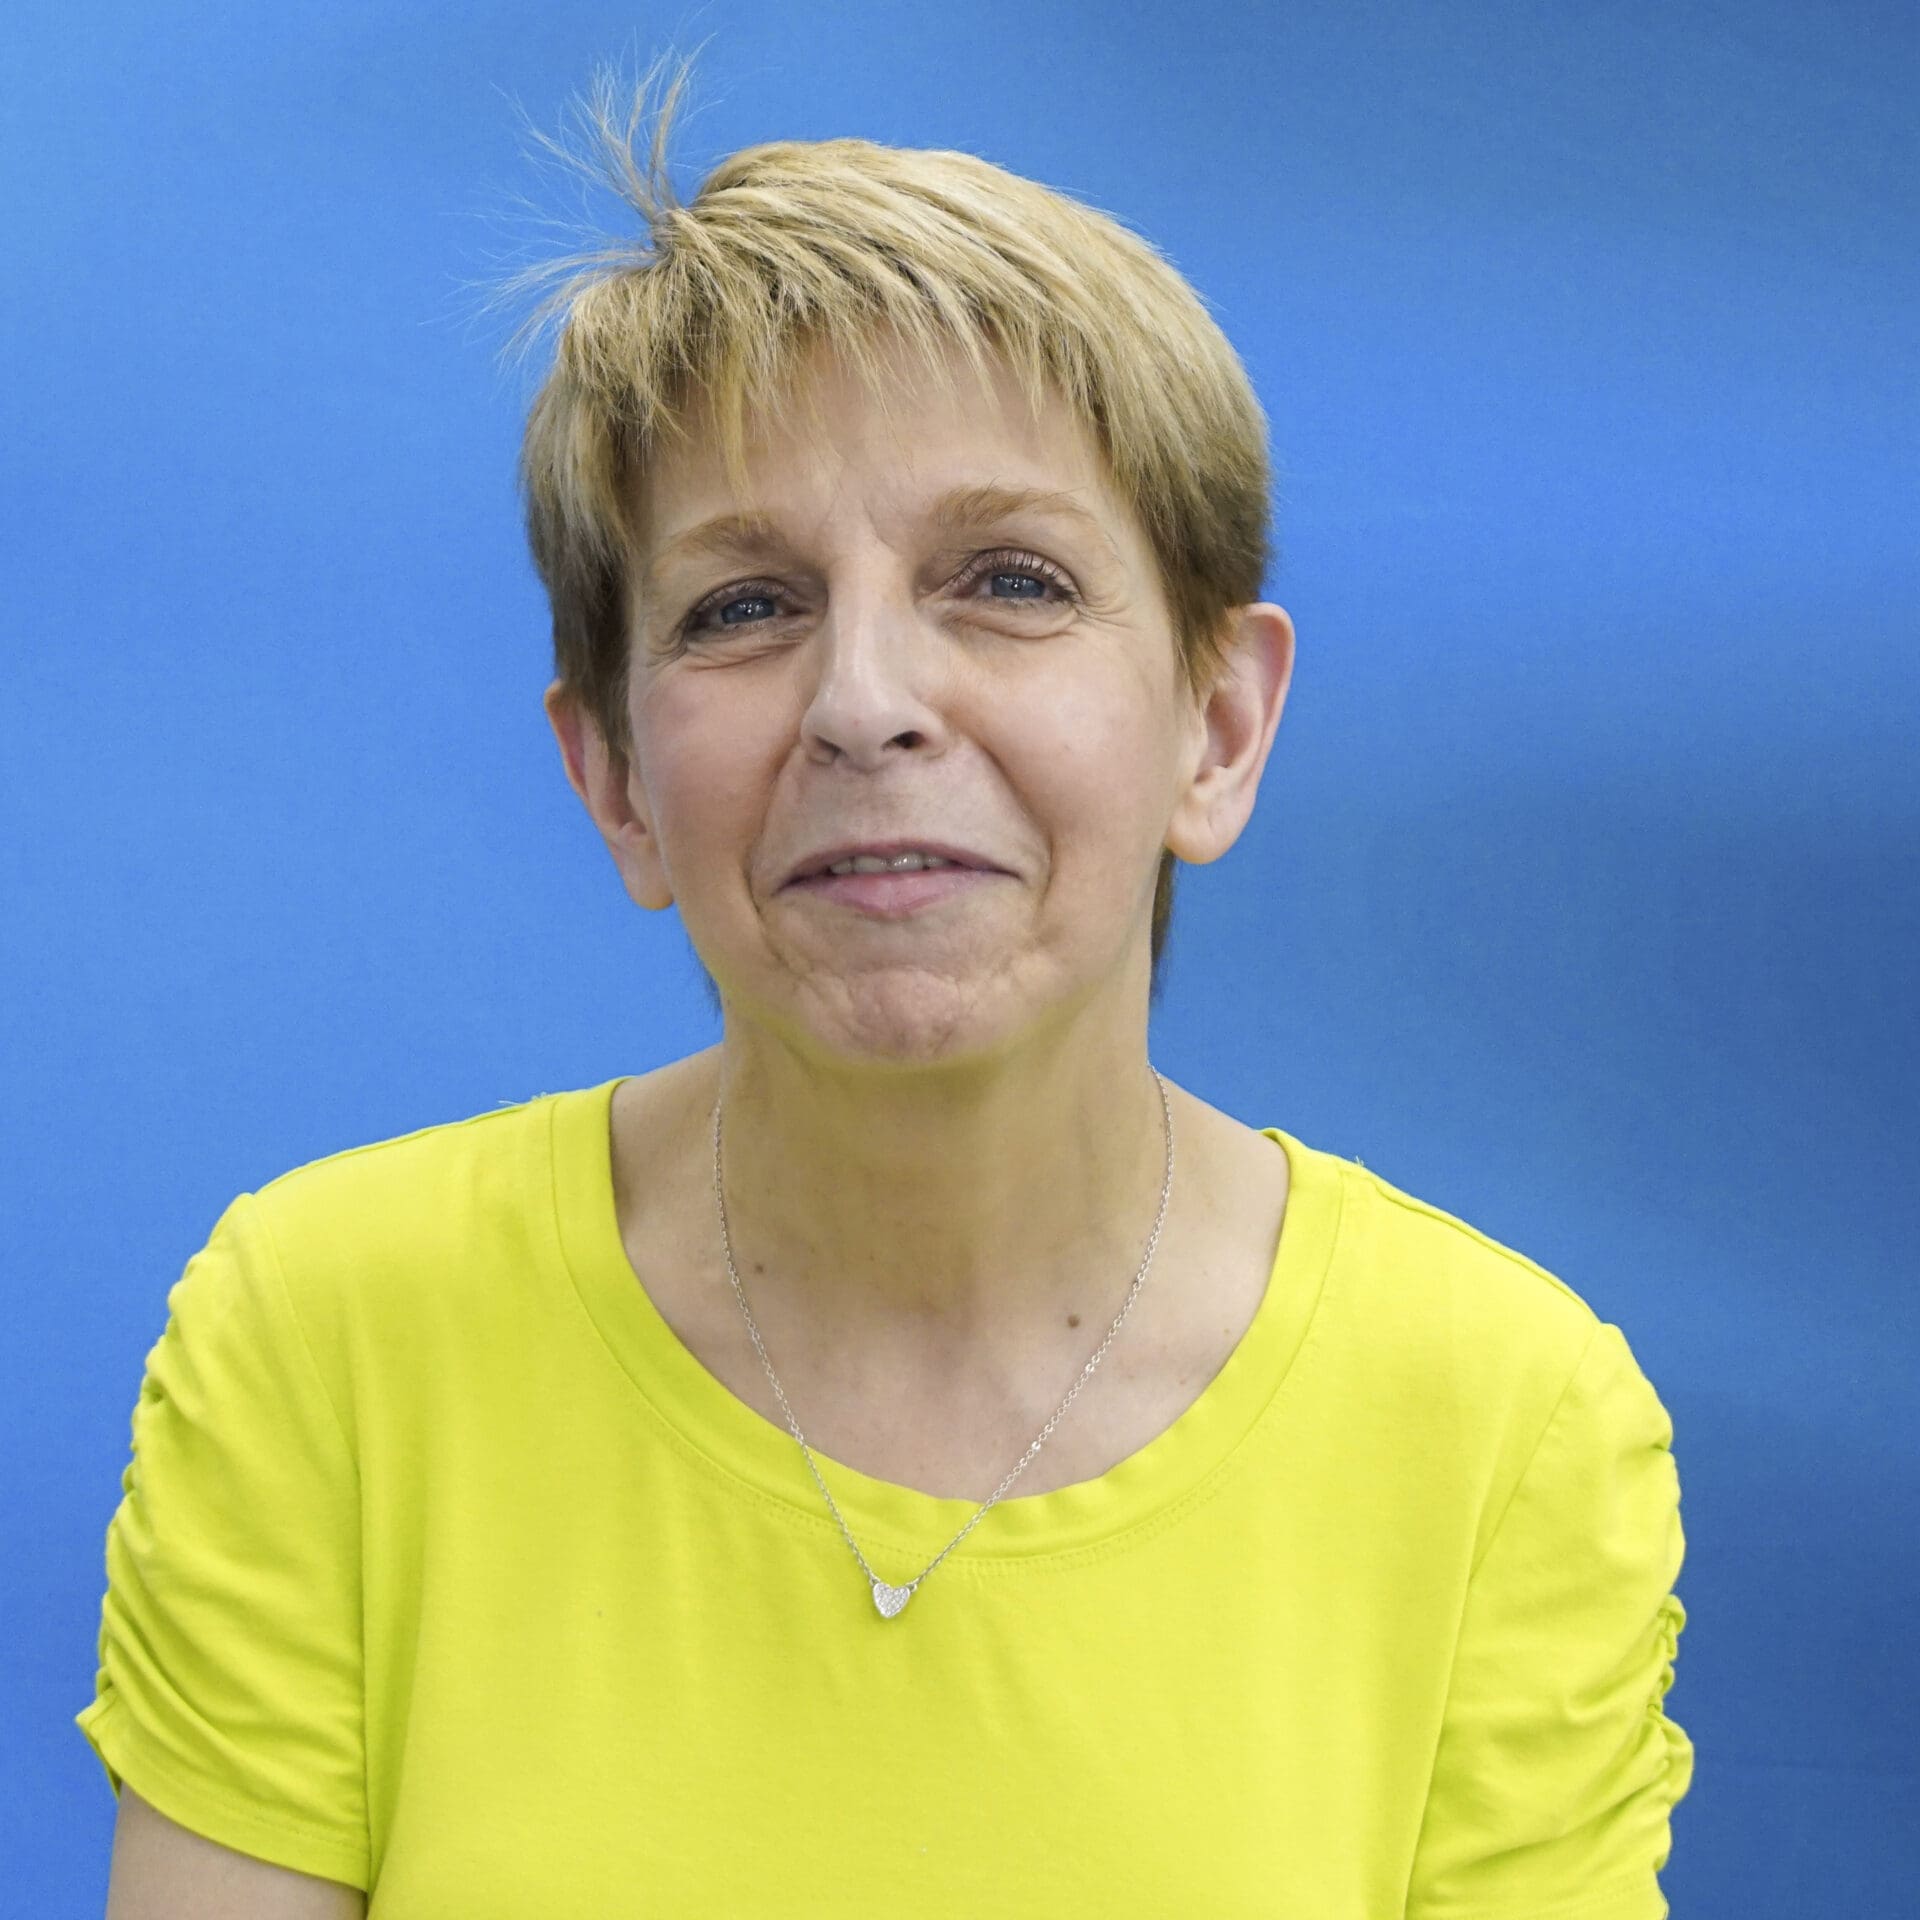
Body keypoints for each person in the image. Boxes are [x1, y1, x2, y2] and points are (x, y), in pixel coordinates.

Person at [77, 53, 1692, 1918]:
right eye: (742, 606)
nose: (865, 704)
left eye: (1005, 579)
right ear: (614, 779)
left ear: (1218, 727)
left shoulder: (1503, 1421)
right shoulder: (327, 1339)